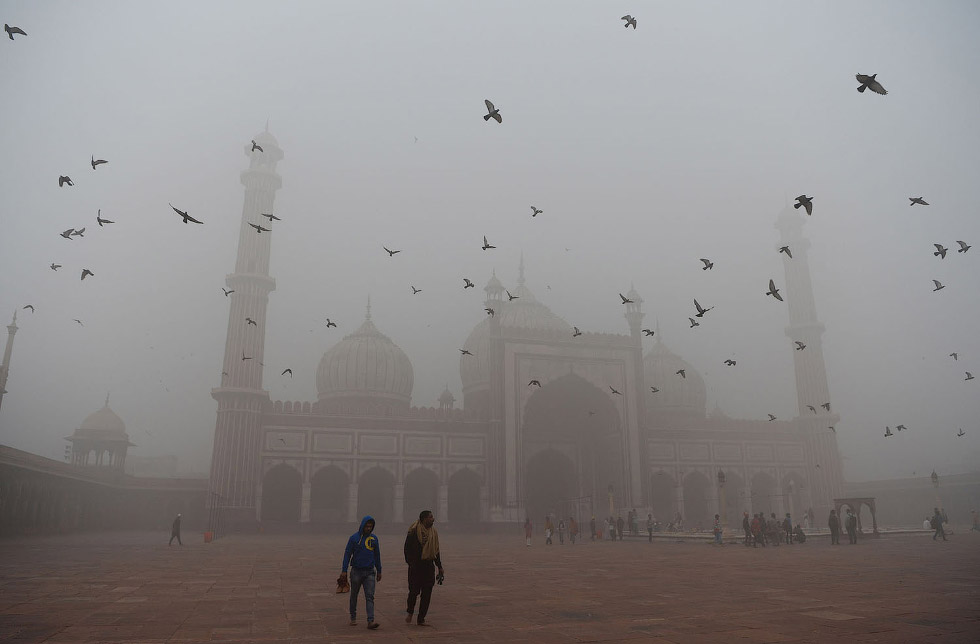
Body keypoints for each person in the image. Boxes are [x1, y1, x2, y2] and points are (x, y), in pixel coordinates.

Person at [341, 515, 382, 629]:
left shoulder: (374, 539)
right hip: (356, 571)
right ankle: (353, 617)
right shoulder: (354, 538)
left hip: (369, 572)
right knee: (354, 595)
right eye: (367, 526)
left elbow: (377, 555)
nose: (368, 528)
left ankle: (370, 621)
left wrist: (379, 570)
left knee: (370, 596)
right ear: (362, 526)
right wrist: (344, 570)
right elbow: (347, 554)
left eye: (370, 526)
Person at [404, 510, 444, 627]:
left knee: (427, 594)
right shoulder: (413, 531)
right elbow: (407, 549)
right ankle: (410, 611)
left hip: (428, 566)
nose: (433, 519)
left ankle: (421, 618)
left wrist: (440, 566)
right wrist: (411, 563)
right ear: (424, 519)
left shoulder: (433, 533)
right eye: (431, 517)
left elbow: (436, 551)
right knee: (413, 592)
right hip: (416, 567)